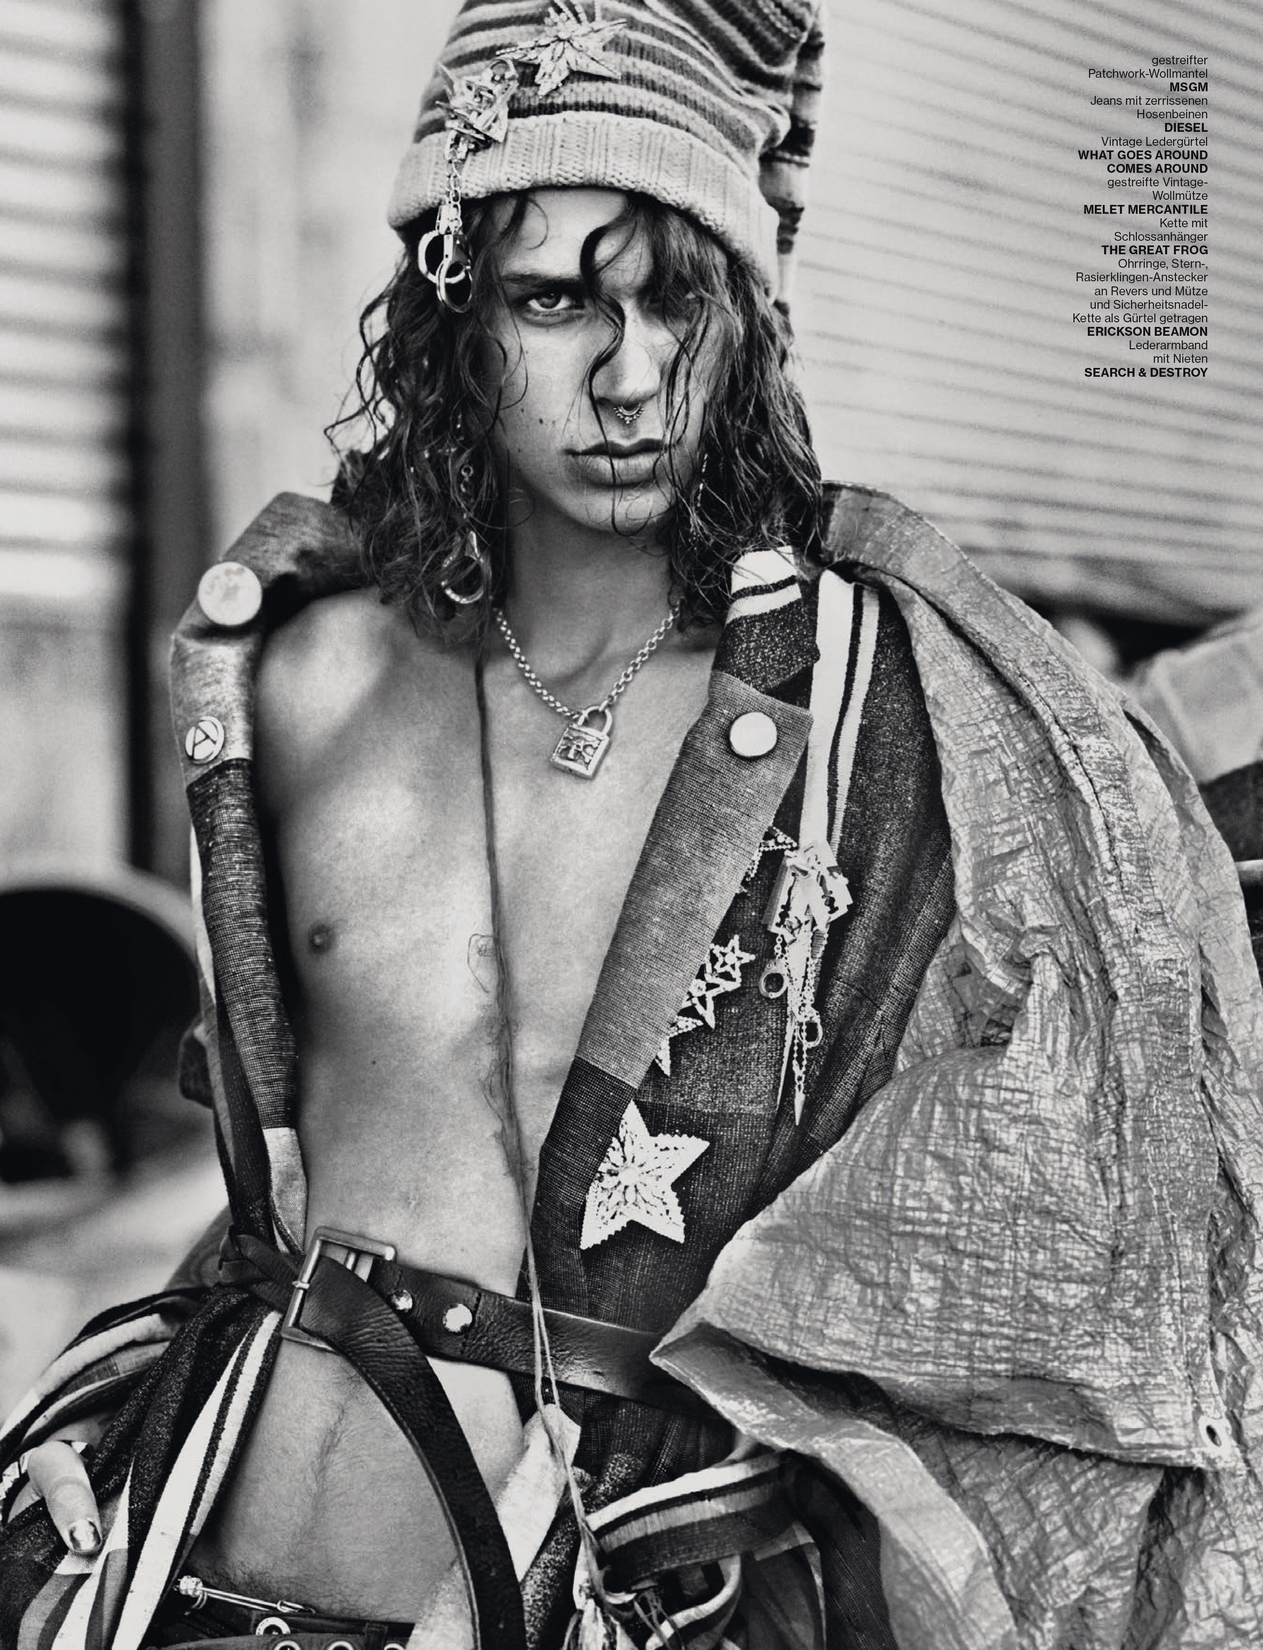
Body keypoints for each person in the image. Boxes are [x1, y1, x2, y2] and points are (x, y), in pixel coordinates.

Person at [4, 3, 1263, 1646]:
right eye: (555, 301)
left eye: (681, 301)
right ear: (452, 311)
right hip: (195, 1567)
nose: (631, 376)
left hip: (624, 1595)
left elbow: (1052, 1240)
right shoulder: (296, 680)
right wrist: (115, 1417)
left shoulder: (872, 718)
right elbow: (292, 1183)